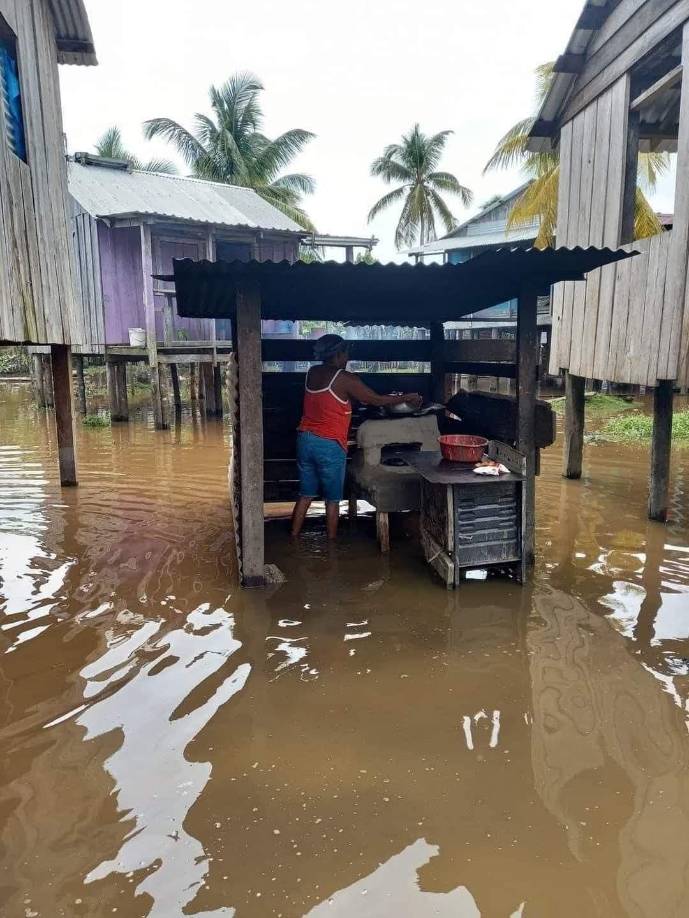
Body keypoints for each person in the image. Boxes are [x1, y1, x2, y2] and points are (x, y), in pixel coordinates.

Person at [290, 334, 422, 540]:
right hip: (329, 444)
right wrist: (407, 397)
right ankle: (332, 548)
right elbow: (375, 400)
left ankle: (293, 537)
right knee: (332, 500)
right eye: (347, 353)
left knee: (305, 494)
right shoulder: (344, 378)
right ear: (339, 354)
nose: (348, 358)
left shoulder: (312, 372)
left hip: (305, 440)